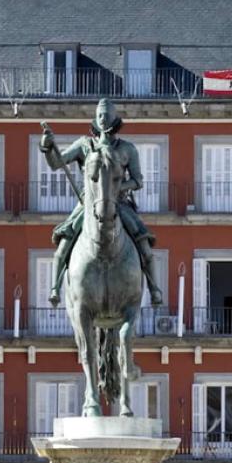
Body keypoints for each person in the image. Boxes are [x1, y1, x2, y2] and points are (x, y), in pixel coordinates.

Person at [39, 98, 164, 308]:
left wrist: (117, 189)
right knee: (64, 242)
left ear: (114, 119)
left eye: (106, 116)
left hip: (119, 203)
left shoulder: (127, 149)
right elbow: (56, 164)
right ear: (95, 119)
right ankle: (55, 287)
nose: (103, 119)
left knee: (143, 243)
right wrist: (47, 147)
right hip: (88, 204)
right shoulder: (83, 145)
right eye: (100, 116)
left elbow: (138, 181)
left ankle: (154, 288)